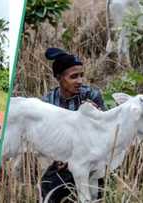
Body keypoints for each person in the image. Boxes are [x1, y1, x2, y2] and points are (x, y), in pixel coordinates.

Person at [41, 48, 106, 202]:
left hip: (90, 162)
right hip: (61, 163)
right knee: (49, 187)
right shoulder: (48, 102)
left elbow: (106, 132)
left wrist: (97, 116)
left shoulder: (91, 96)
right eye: (73, 77)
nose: (80, 81)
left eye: (81, 76)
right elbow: (44, 138)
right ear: (59, 78)